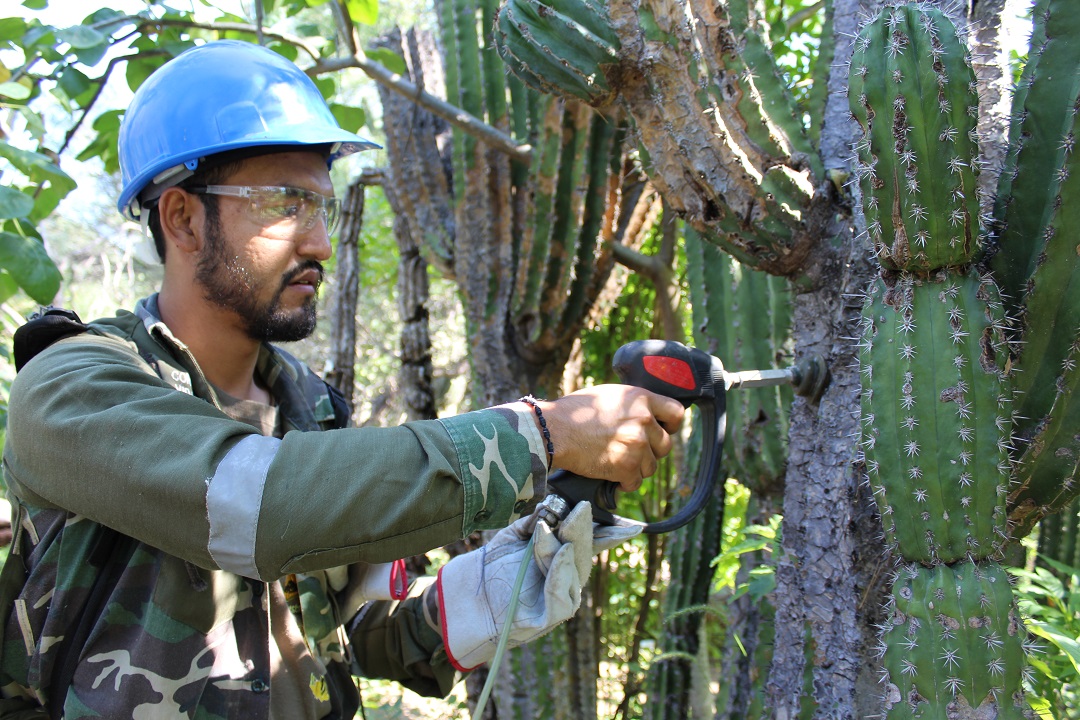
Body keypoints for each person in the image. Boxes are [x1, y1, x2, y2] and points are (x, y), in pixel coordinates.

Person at [0, 41, 684, 719]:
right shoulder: (76, 384)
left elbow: (358, 630)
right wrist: (539, 435)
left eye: (319, 207)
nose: (321, 244)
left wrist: (500, 581)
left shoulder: (310, 405)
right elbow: (261, 507)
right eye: (283, 203)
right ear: (182, 218)